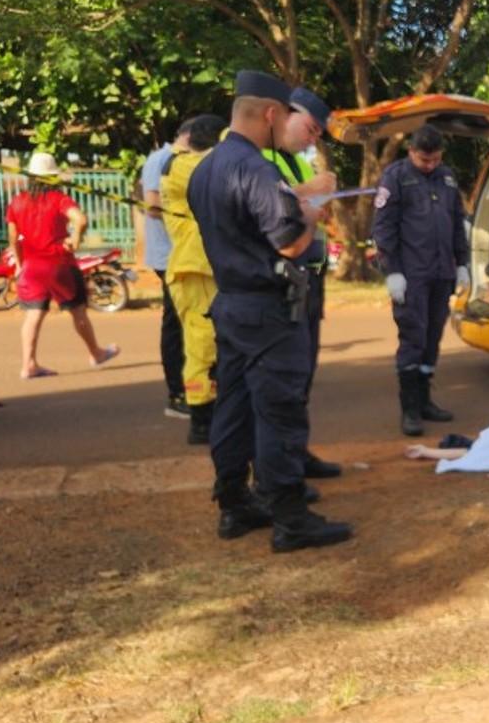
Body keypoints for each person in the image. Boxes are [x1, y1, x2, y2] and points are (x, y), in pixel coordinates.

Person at [188, 70, 351, 553]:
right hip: (268, 311)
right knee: (279, 412)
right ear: (272, 113)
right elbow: (290, 242)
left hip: (231, 305)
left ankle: (235, 504)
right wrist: (312, 211)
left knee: (234, 408)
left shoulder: (207, 168)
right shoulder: (258, 170)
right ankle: (290, 517)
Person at [261, 86, 343, 479]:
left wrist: (320, 206)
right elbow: (264, 202)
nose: (312, 140)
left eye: (316, 135)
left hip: (310, 279)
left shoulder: (298, 162)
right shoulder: (257, 156)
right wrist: (311, 193)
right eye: (310, 130)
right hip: (279, 282)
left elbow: (305, 208)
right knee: (281, 380)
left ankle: (297, 452)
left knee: (302, 373)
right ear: (284, 115)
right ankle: (278, 468)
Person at [372, 125, 469, 437]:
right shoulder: (395, 177)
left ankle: (426, 400)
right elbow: (384, 229)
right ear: (411, 151)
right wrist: (393, 272)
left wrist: (463, 263)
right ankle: (410, 410)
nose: (430, 165)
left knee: (431, 338)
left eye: (435, 159)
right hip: (411, 275)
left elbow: (456, 223)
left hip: (442, 272)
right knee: (413, 338)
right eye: (424, 159)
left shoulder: (448, 177)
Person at [6, 152, 120, 379]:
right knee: (78, 311)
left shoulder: (17, 202)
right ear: (53, 177)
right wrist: (76, 238)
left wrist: (19, 266)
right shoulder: (58, 199)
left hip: (31, 267)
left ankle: (28, 364)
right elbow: (81, 219)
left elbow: (13, 239)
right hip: (60, 264)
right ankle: (96, 353)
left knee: (33, 316)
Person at [158, 114, 227, 446]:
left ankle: (212, 412)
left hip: (206, 267)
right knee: (203, 345)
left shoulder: (186, 162)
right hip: (193, 268)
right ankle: (200, 418)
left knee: (214, 344)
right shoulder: (181, 164)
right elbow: (219, 170)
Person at [141, 122, 192, 419]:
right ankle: (177, 393)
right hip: (169, 256)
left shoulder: (175, 159)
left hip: (182, 254)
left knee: (189, 323)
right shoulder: (161, 160)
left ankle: (191, 387)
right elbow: (152, 206)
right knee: (176, 324)